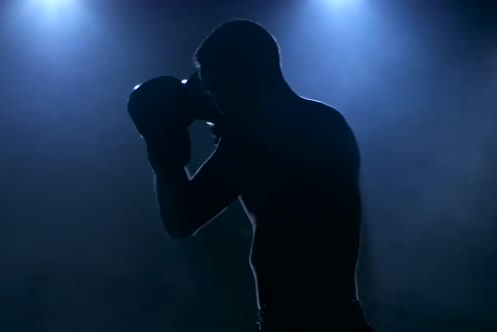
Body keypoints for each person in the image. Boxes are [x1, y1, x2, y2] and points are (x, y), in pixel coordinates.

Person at [129, 19, 373, 331]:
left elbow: (181, 221)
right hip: (325, 316)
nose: (215, 100)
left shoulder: (256, 138)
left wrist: (164, 150)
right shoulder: (324, 121)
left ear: (243, 77)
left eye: (217, 89)